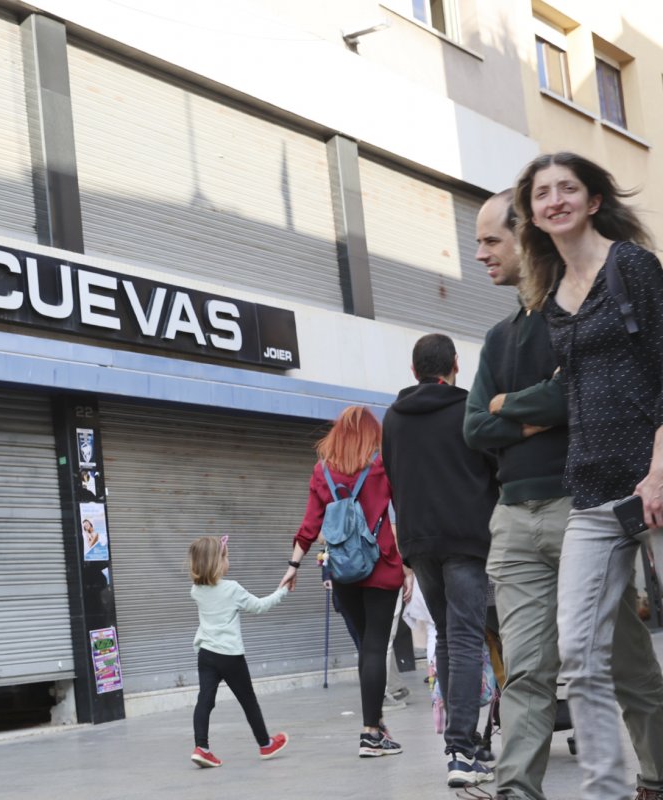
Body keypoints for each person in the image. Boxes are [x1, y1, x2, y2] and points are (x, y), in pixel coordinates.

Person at [515, 151, 663, 800]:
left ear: (593, 200)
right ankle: (606, 790)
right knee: (577, 654)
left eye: (567, 188)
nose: (555, 200)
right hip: (593, 494)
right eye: (542, 193)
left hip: (654, 479)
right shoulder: (550, 299)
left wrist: (659, 471)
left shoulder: (631, 267)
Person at [382, 334, 499, 788]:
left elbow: (393, 477)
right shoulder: (469, 408)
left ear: (414, 371)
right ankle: (463, 751)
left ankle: (458, 745)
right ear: (455, 364)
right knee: (468, 639)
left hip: (420, 542)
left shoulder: (393, 418)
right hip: (467, 539)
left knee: (448, 638)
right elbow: (494, 466)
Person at [280, 406, 410, 758]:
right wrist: (410, 567)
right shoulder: (382, 466)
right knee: (374, 648)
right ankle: (371, 733)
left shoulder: (323, 470)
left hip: (343, 573)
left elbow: (310, 523)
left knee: (365, 649)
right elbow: (406, 513)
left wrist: (294, 564)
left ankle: (376, 726)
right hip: (382, 567)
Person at [188, 535, 289, 768]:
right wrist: (282, 590)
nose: (228, 560)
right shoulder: (232, 589)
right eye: (226, 556)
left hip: (206, 654)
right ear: (217, 562)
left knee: (205, 700)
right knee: (248, 701)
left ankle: (201, 748)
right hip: (230, 656)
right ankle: (265, 744)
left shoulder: (196, 590)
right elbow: (260, 607)